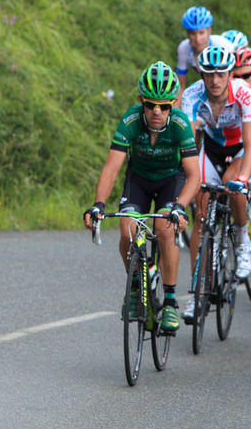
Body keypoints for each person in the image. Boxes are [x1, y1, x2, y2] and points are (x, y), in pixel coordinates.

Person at [84, 62, 200, 334]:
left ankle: (170, 301)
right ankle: (136, 286)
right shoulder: (131, 120)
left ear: (173, 104)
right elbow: (112, 166)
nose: (157, 111)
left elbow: (194, 175)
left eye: (164, 106)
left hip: (172, 181)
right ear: (141, 102)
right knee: (127, 230)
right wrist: (99, 203)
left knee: (164, 228)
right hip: (139, 180)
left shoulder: (181, 125)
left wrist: (181, 208)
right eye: (150, 105)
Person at [179, 45, 251, 321]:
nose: (215, 80)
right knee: (200, 218)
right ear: (201, 74)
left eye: (221, 74)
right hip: (212, 149)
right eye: (209, 74)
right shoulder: (191, 95)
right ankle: (197, 292)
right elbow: (188, 143)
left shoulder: (244, 93)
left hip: (241, 148)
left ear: (229, 74)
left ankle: (241, 239)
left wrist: (244, 178)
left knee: (232, 185)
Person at [175, 6, 234, 93]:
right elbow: (180, 85)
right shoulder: (183, 48)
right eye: (192, 33)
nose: (197, 39)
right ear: (187, 33)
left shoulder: (223, 46)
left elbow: (231, 82)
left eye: (201, 33)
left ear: (209, 31)